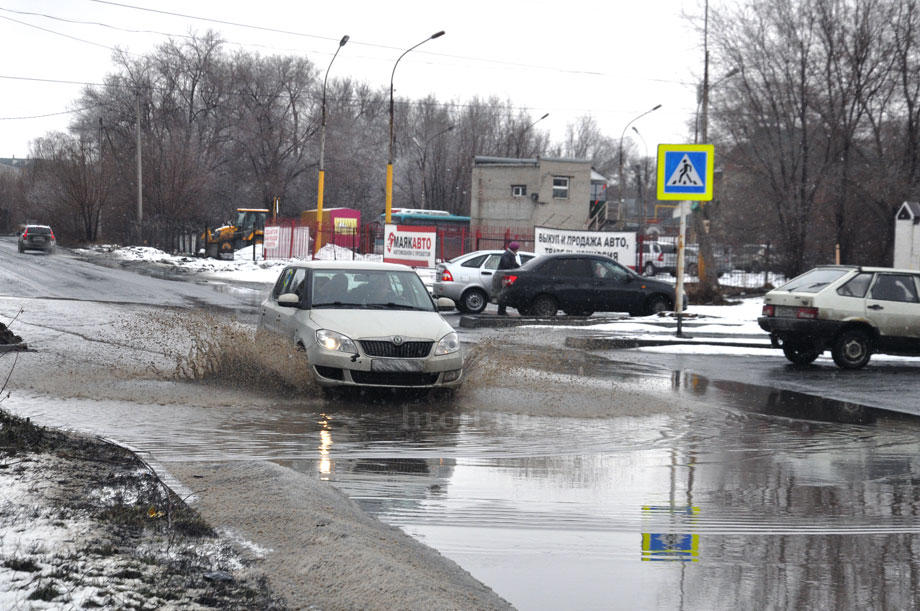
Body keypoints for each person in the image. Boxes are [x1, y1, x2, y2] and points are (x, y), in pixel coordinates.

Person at [496, 241, 521, 316]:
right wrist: (514, 269)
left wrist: (520, 268)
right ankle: (501, 311)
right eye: (517, 249)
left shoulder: (510, 254)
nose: (517, 250)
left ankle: (502, 311)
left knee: (506, 293)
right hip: (505, 276)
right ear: (515, 249)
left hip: (507, 275)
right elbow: (507, 265)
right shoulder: (507, 255)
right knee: (505, 293)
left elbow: (515, 264)